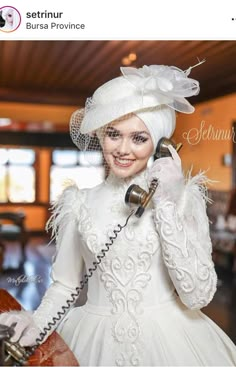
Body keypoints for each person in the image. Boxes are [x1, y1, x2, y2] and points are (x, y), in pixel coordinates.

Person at [1, 64, 236, 366]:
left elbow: (197, 296)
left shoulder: (182, 199)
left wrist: (167, 203)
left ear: (160, 143)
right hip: (94, 339)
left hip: (171, 339)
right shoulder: (79, 203)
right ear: (101, 134)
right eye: (114, 134)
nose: (123, 149)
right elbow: (65, 285)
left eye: (139, 138)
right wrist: (37, 323)